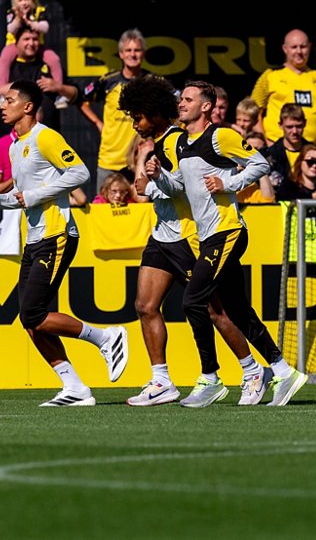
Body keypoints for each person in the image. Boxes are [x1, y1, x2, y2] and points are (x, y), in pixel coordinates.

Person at [148, 80, 308, 406]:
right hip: (208, 236)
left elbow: (260, 164)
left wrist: (228, 182)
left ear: (206, 106)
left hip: (228, 232)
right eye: (183, 98)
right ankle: (282, 370)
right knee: (237, 309)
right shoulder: (184, 144)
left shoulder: (221, 136)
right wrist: (157, 177)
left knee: (193, 301)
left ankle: (212, 377)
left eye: (189, 99)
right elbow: (179, 185)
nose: (182, 103)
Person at [118, 75, 272, 406]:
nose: (135, 123)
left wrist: (154, 183)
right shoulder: (156, 145)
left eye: (138, 116)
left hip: (188, 236)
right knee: (145, 305)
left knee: (216, 311)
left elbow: (185, 187)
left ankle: (251, 370)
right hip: (162, 234)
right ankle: (161, 381)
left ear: (155, 113)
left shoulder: (178, 140)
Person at [0, 80, 130, 406]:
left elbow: (80, 174)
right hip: (34, 239)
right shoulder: (14, 146)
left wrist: (30, 195)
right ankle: (74, 387)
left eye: (9, 100)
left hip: (57, 234)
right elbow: (21, 200)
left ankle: (106, 336)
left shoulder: (45, 136)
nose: (2, 105)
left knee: (32, 314)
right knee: (29, 320)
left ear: (28, 107)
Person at [80, 29, 156, 187]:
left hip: (140, 160)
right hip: (110, 160)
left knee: (144, 209)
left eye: (137, 50)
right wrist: (97, 123)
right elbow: (81, 100)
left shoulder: (153, 81)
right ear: (121, 54)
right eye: (128, 50)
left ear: (143, 53)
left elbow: (175, 106)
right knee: (103, 210)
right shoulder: (108, 81)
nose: (132, 54)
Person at [251, 28, 316, 157]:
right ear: (285, 48)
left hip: (313, 152)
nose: (299, 51)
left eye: (303, 47)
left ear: (310, 47)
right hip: (278, 151)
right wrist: (267, 142)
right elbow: (253, 112)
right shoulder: (270, 76)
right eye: (294, 47)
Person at [0, 25, 71, 123]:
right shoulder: (5, 66)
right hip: (10, 136)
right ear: (16, 42)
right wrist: (1, 91)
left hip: (46, 134)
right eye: (26, 39)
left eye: (35, 39)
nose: (31, 43)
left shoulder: (50, 63)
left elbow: (76, 94)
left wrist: (59, 87)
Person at [0, 0, 64, 88]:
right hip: (13, 44)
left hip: (37, 46)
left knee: (54, 59)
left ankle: (59, 88)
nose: (24, 3)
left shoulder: (39, 11)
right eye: (20, 0)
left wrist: (31, 23)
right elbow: (10, 30)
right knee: (4, 59)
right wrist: (18, 19)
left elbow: (45, 28)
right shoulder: (12, 12)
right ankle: (2, 91)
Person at [262, 103, 310, 199]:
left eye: (299, 126)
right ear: (280, 125)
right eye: (289, 127)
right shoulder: (269, 155)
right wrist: (312, 196)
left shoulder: (314, 151)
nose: (295, 131)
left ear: (305, 123)